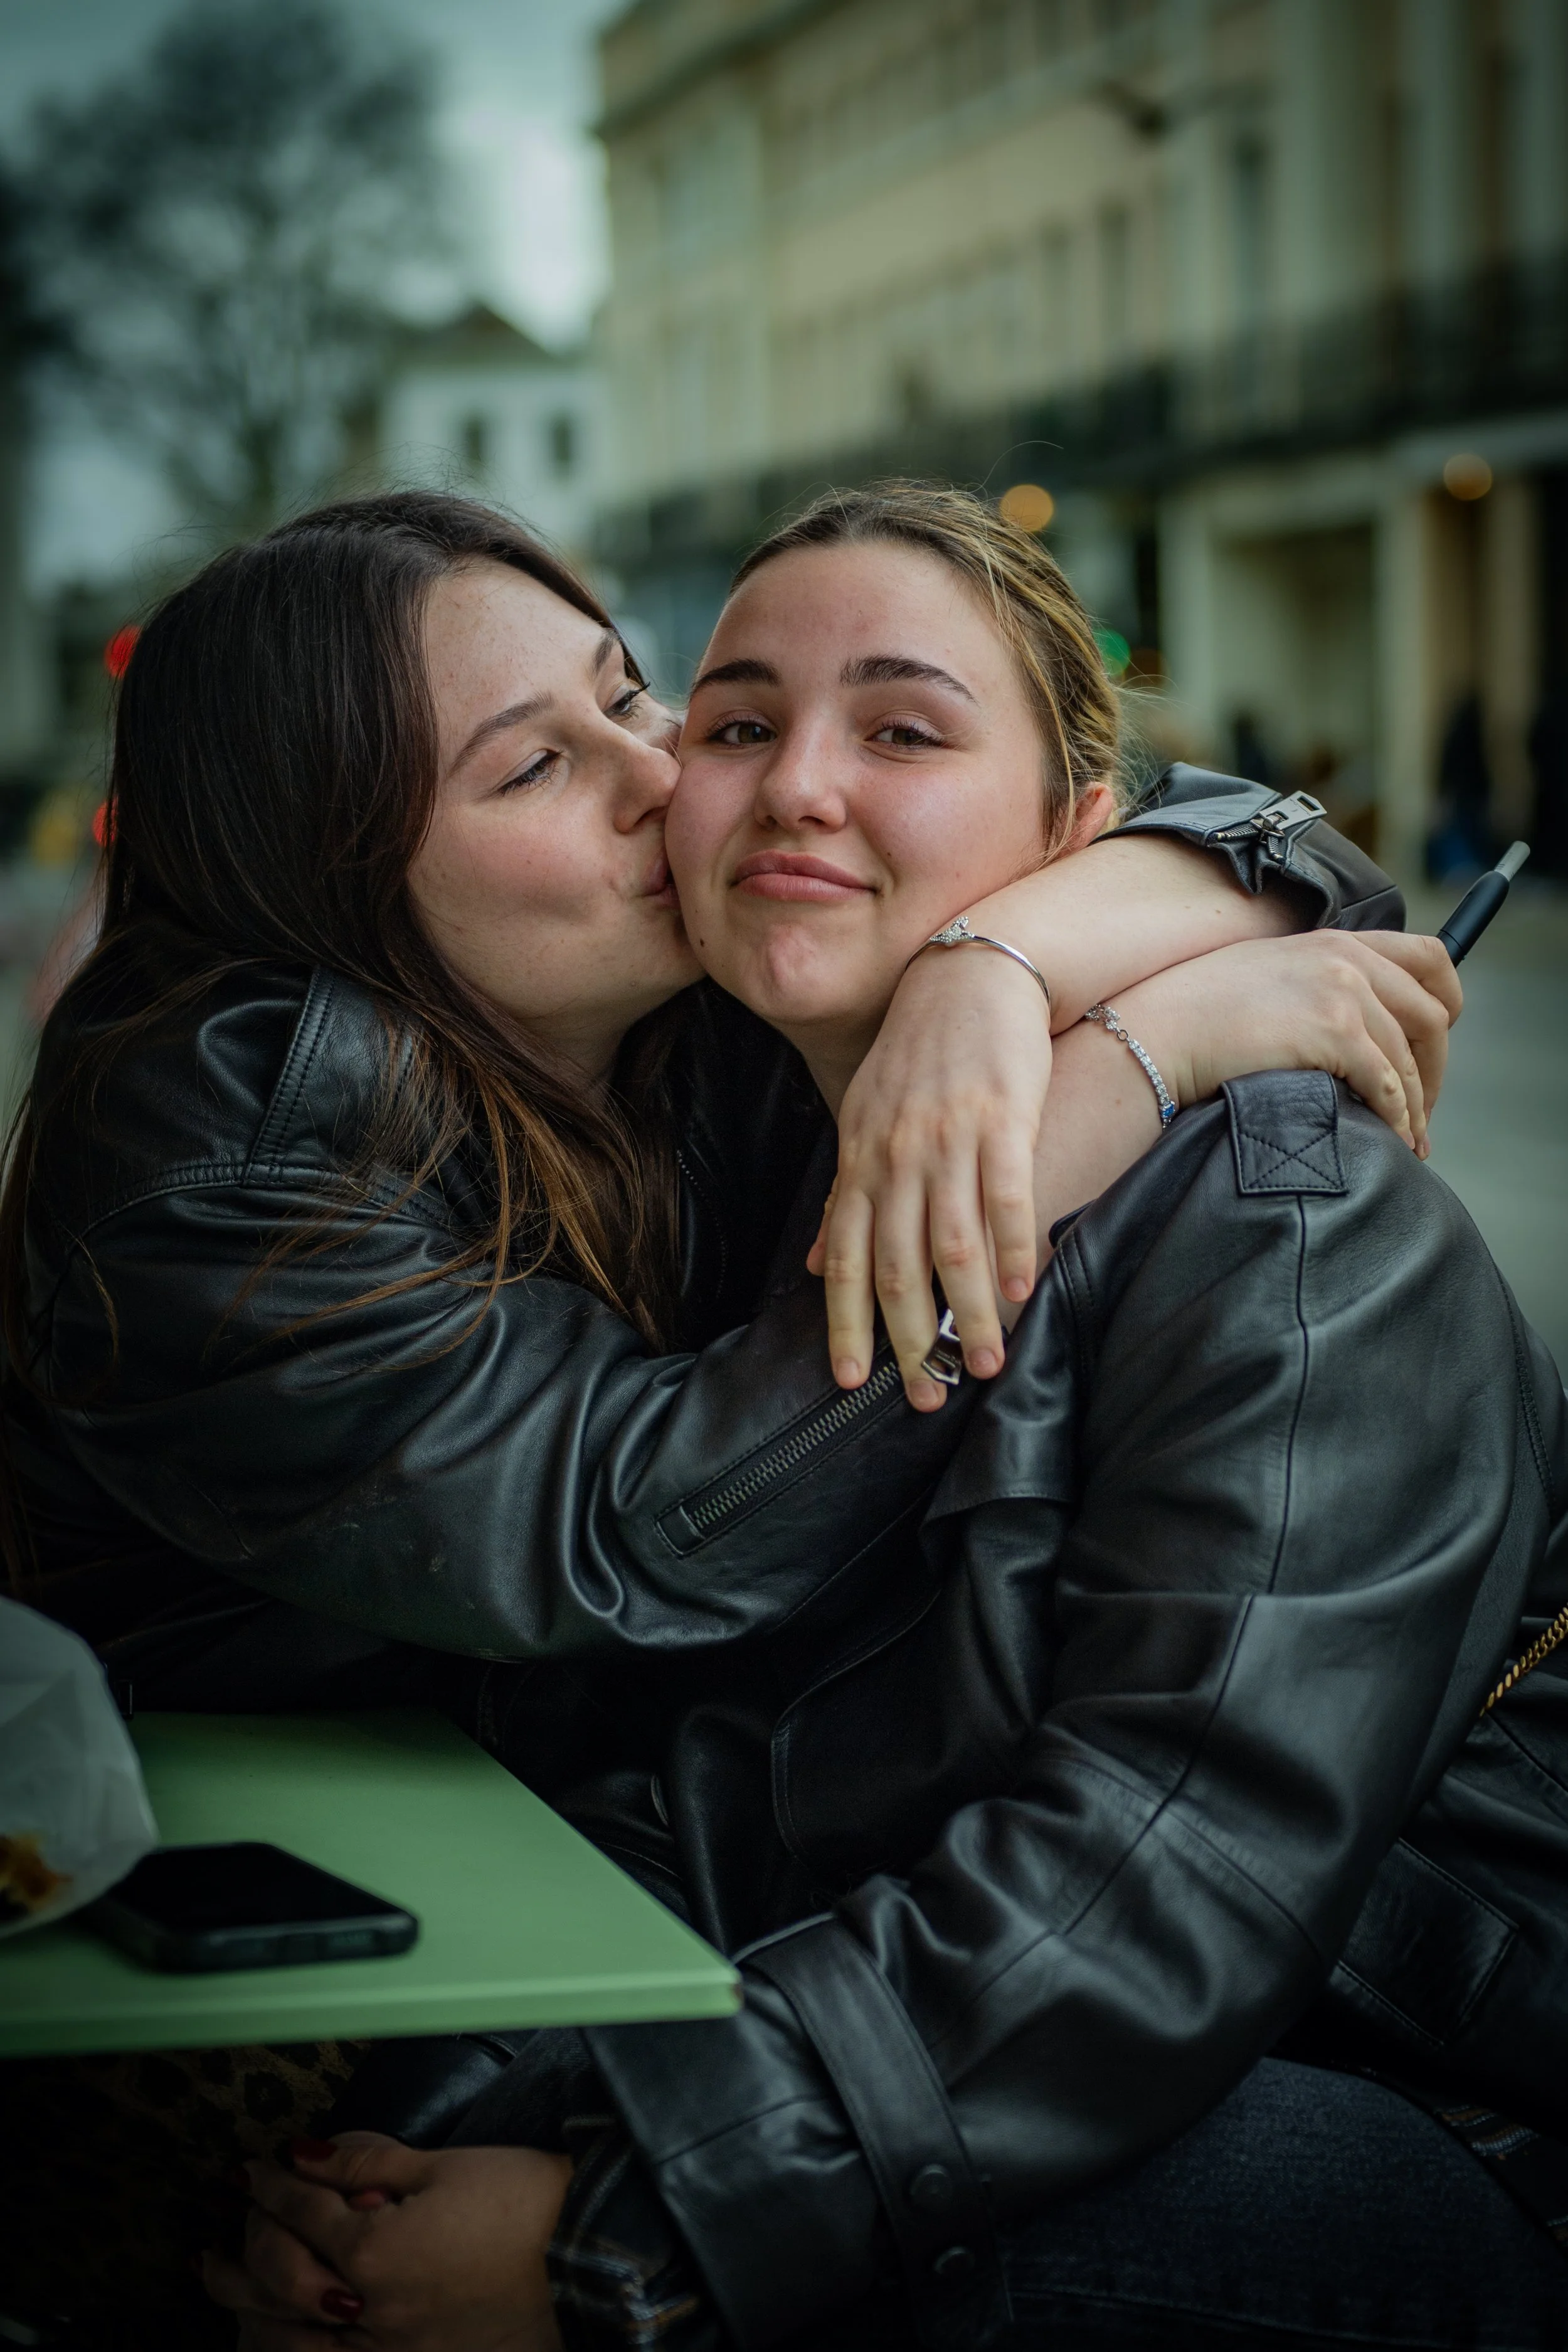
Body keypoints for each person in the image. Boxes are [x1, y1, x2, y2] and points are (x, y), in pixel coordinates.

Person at [201, 491, 1568, 2351]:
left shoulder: (1293, 1230)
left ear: (1082, 838)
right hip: (965, 2038)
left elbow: (1156, 1877)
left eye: (904, 729)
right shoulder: (738, 1154)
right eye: (739, 720)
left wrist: (625, 2229)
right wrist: (396, 2160)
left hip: (1412, 2104)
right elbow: (706, 1790)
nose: (794, 787)